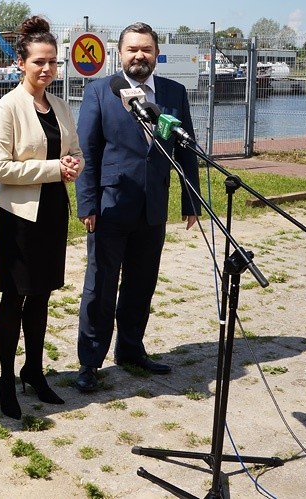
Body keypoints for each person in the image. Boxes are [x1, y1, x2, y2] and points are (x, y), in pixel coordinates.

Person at [74, 22, 201, 393]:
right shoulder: (100, 92)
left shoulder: (174, 93)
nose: (139, 56)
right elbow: (88, 153)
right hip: (110, 207)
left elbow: (185, 150)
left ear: (156, 54)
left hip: (152, 207)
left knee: (141, 284)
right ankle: (90, 362)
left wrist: (190, 200)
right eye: (132, 50)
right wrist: (87, 204)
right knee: (100, 286)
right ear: (119, 54)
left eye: (146, 49)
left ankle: (130, 349)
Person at [0, 16, 83, 419]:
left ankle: (34, 371)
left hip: (53, 210)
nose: (47, 69)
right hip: (19, 216)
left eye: (53, 63)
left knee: (41, 294)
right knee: (15, 296)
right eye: (39, 62)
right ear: (21, 64)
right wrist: (53, 169)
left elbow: (72, 150)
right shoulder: (6, 108)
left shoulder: (59, 105)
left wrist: (73, 166)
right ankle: (7, 378)